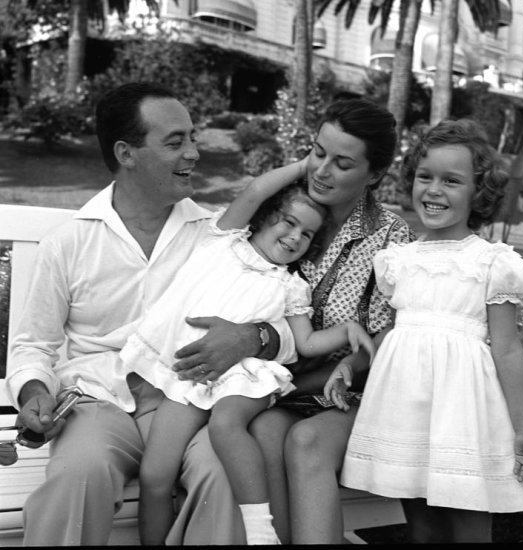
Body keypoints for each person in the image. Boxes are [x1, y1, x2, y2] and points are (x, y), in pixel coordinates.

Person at [6, 81, 297, 546]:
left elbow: (279, 315)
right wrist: (35, 393)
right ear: (127, 153)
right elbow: (32, 346)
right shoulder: (69, 243)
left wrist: (253, 337)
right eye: (175, 141)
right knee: (79, 473)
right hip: (100, 402)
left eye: (194, 138)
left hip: (193, 402)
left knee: (225, 478)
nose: (194, 153)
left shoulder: (217, 238)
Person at [177, 98, 413, 544]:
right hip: (272, 388)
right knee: (264, 430)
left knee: (302, 441)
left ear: (375, 174)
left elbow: (389, 334)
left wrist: (341, 367)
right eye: (317, 152)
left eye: (342, 163)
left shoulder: (390, 238)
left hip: (347, 392)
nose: (322, 170)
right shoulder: (285, 214)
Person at [120, 158, 376, 545]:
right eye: (288, 222)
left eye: (306, 235)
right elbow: (256, 190)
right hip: (189, 375)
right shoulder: (223, 241)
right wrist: (310, 164)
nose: (294, 237)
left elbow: (306, 343)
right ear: (265, 217)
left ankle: (260, 531)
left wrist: (346, 331)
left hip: (243, 380)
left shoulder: (291, 287)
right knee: (156, 476)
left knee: (227, 424)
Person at [336, 118, 523, 543]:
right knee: (421, 528)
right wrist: (353, 361)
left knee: (469, 525)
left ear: (478, 192)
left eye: (452, 181)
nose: (433, 190)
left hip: (463, 411)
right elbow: (395, 332)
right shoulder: (398, 260)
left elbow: (506, 349)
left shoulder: (490, 261)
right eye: (424, 176)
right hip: (405, 408)